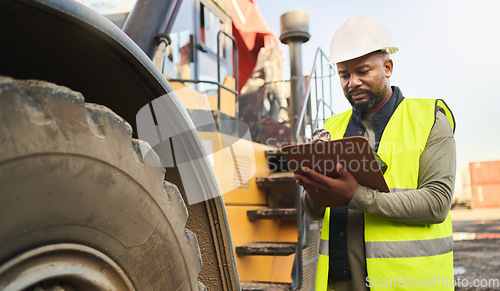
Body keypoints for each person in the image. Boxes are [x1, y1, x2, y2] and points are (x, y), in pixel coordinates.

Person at [294, 16, 456, 291]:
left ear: (388, 67)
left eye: (363, 71)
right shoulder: (332, 127)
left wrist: (354, 196)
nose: (352, 82)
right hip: (338, 282)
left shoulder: (429, 118)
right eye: (344, 75)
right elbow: (313, 211)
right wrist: (313, 184)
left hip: (405, 281)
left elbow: (437, 203)